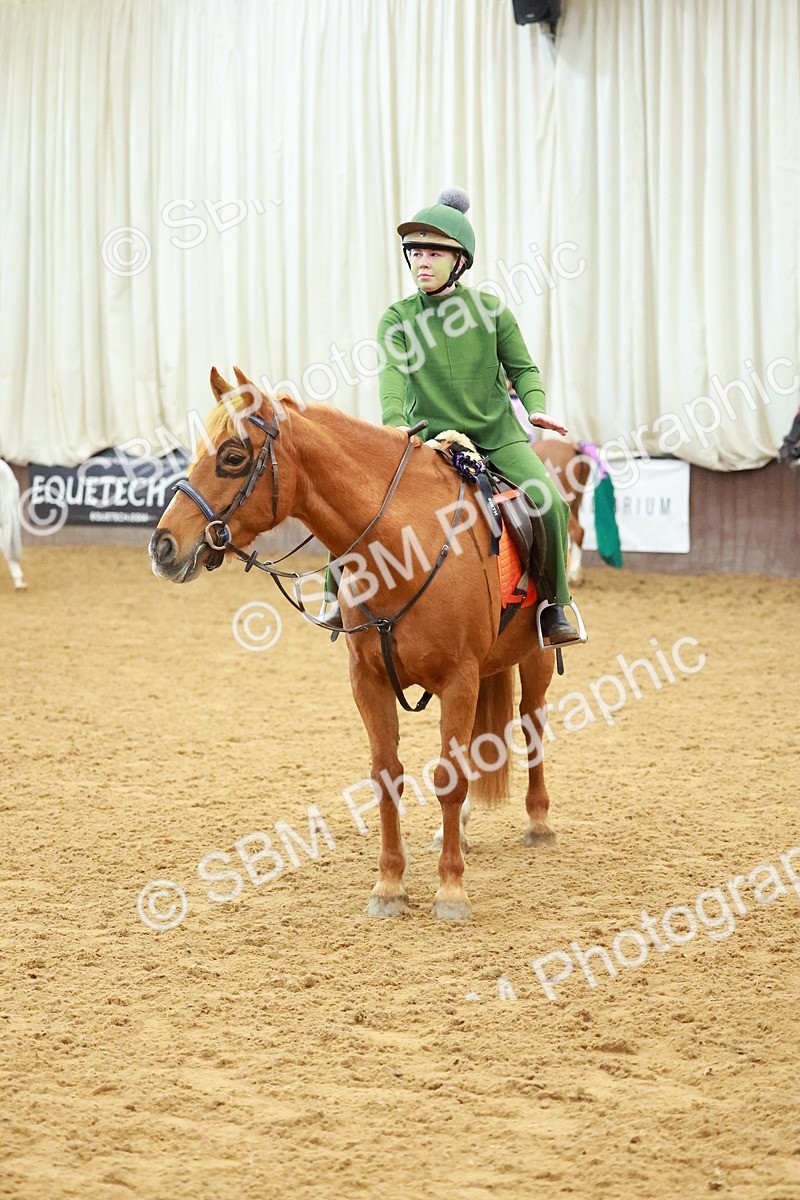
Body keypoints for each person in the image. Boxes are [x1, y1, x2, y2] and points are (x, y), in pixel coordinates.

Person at [322, 187, 581, 645]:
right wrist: (394, 421)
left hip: (498, 438)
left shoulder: (492, 312)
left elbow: (523, 368)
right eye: (415, 252)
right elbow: (393, 374)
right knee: (353, 496)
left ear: (460, 261)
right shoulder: (397, 319)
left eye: (434, 253)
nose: (422, 261)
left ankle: (554, 607)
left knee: (550, 500)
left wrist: (536, 407)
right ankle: (334, 592)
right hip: (432, 440)